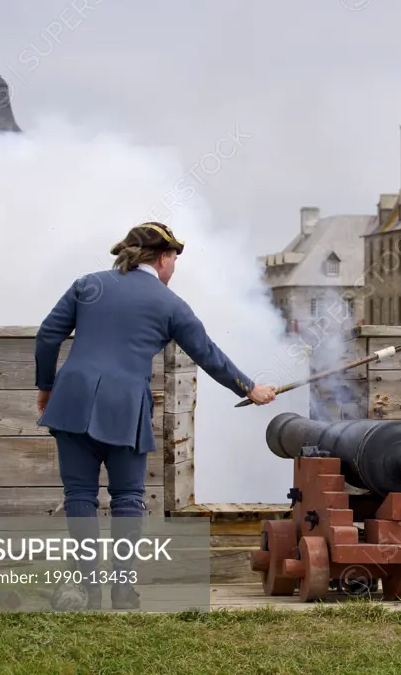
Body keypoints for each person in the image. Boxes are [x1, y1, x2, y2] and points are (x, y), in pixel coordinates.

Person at [34, 222, 278, 609]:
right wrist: (250, 388)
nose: (174, 268)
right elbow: (207, 353)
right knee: (128, 497)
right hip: (124, 408)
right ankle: (122, 591)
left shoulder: (87, 284)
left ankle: (88, 589)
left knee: (79, 495)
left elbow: (48, 336)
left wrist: (47, 387)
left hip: (72, 400)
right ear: (163, 258)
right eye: (175, 260)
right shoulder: (170, 304)